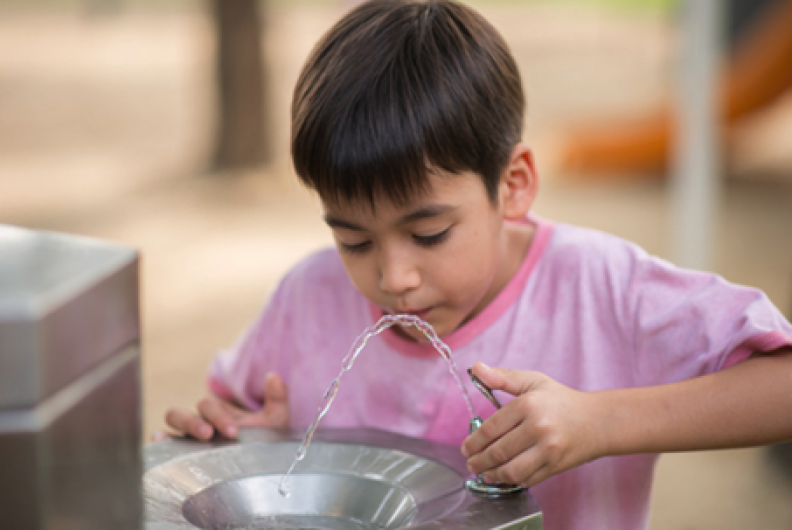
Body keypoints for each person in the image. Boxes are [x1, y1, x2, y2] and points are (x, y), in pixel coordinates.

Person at [162, 1, 792, 528]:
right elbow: (230, 416)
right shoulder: (308, 297)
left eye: (429, 233)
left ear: (513, 184)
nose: (393, 278)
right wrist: (251, 443)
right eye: (354, 241)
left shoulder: (600, 288)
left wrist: (603, 421)